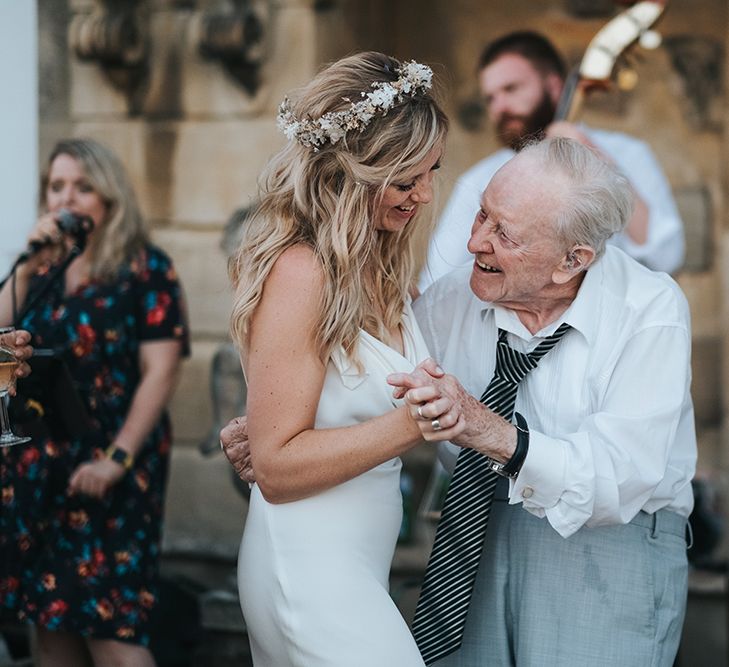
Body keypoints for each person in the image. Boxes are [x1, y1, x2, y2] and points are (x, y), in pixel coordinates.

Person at [388, 137, 695, 666]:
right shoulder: (448, 302)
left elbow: (619, 477)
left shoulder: (650, 309)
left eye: (502, 232)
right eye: (481, 214)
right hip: (472, 537)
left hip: (608, 549)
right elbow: (372, 386)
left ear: (571, 260)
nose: (474, 243)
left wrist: (489, 432)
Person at [224, 51, 448, 665]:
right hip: (308, 571)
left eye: (431, 173)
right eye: (406, 180)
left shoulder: (379, 268)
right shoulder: (303, 273)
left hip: (354, 567)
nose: (424, 196)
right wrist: (411, 424)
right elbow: (276, 465)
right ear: (352, 175)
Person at [0, 138, 189, 667]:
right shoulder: (42, 273)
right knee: (52, 630)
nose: (67, 198)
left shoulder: (146, 268)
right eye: (57, 186)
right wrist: (29, 263)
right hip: (39, 470)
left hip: (110, 467)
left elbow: (163, 369)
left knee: (115, 635)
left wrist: (118, 458)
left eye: (83, 187)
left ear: (110, 197)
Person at [419, 31, 685, 290]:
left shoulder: (627, 153)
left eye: (511, 88)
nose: (499, 106)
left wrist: (596, 158)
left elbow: (667, 256)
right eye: (491, 97)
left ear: (554, 85)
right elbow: (438, 280)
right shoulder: (481, 177)